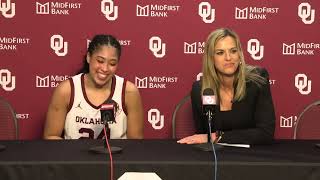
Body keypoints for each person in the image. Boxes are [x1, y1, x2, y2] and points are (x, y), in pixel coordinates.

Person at [177, 28, 275, 145]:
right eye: (220, 53)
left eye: (233, 51)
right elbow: (203, 136)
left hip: (252, 157)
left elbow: (265, 133)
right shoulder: (200, 89)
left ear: (239, 55)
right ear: (211, 59)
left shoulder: (257, 80)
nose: (228, 58)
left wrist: (218, 137)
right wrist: (211, 138)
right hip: (217, 158)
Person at [43, 34, 144, 139]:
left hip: (116, 156)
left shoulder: (129, 92)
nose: (105, 68)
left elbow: (135, 144)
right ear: (88, 57)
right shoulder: (66, 90)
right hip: (73, 155)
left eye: (112, 64)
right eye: (100, 61)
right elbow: (51, 136)